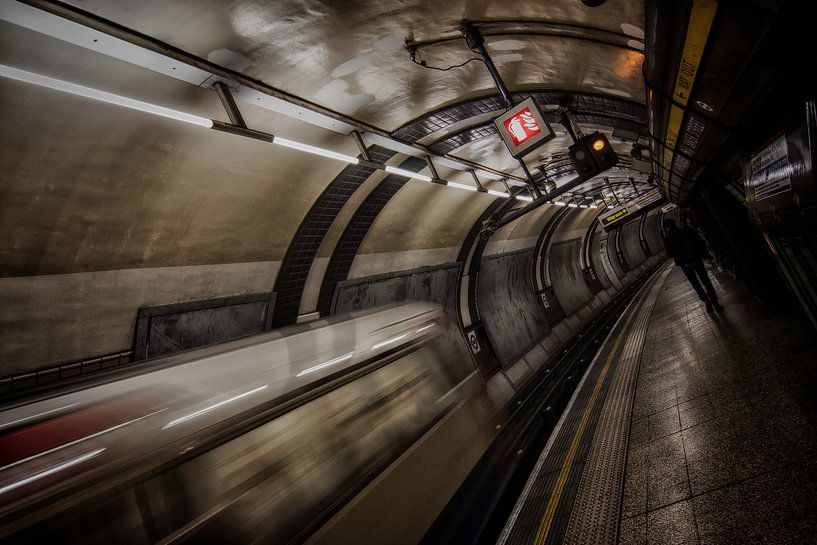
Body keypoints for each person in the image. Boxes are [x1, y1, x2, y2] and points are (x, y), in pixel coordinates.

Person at [662, 218, 724, 313]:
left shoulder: (667, 238)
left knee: (695, 283)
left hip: (685, 264)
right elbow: (697, 242)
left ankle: (705, 300)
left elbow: (670, 254)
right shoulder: (685, 231)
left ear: (666, 227)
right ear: (674, 223)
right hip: (696, 259)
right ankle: (715, 303)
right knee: (706, 281)